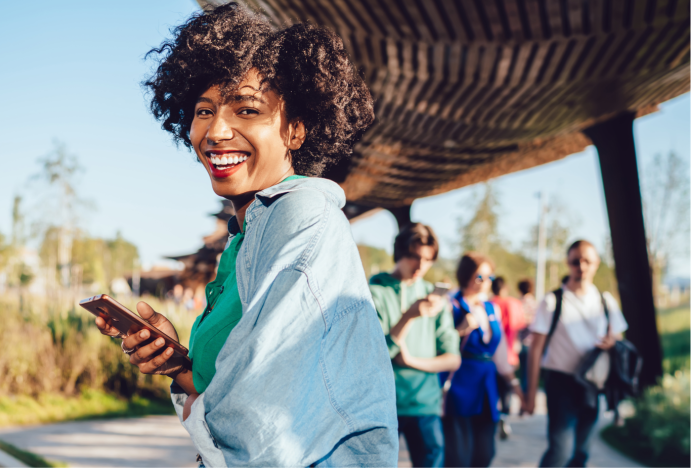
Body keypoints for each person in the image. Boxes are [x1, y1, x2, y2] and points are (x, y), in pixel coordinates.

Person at [95, 4, 397, 467]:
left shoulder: (301, 213)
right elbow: (235, 379)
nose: (216, 130)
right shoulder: (244, 239)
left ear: (295, 130)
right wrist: (178, 363)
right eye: (204, 110)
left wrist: (201, 415)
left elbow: (264, 409)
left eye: (247, 109)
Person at [522, 240, 628, 468]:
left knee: (581, 453)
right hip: (561, 383)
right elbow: (535, 350)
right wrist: (530, 394)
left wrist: (612, 342)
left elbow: (617, 338)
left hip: (591, 384)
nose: (581, 265)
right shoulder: (552, 301)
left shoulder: (605, 301)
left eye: (587, 260)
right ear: (567, 263)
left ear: (596, 263)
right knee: (561, 451)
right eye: (575, 261)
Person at [371, 223, 460, 468]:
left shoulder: (435, 297)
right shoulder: (373, 290)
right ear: (400, 252)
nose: (421, 266)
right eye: (414, 256)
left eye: (428, 260)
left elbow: (453, 358)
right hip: (384, 404)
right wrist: (409, 316)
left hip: (425, 404)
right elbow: (373, 356)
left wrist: (411, 361)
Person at [442, 253, 521, 468]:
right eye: (480, 277)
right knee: (458, 456)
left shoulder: (491, 308)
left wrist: (516, 387)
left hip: (486, 385)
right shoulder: (450, 304)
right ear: (465, 276)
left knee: (484, 454)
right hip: (460, 382)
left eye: (490, 278)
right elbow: (438, 343)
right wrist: (459, 331)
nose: (486, 283)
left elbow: (501, 352)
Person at [488, 277, 527, 438]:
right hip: (510, 354)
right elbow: (521, 327)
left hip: (490, 356)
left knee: (493, 389)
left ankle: (494, 417)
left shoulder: (489, 305)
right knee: (507, 390)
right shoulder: (515, 304)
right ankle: (504, 416)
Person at [516, 278, 537, 394]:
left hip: (518, 342)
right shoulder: (534, 303)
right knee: (527, 373)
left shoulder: (518, 303)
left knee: (519, 373)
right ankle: (526, 398)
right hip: (531, 342)